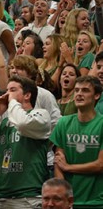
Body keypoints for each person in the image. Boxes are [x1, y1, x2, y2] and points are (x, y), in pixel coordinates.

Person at [0, 76, 51, 208]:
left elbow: (23, 123)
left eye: (12, 90)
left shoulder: (42, 114)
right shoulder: (3, 122)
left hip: (27, 196)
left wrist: (12, 102)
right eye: (6, 90)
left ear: (27, 95)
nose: (7, 94)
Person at [50, 76, 103, 208]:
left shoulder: (102, 124)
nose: (79, 94)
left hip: (97, 201)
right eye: (77, 90)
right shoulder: (63, 123)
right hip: (70, 202)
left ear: (97, 95)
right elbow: (58, 162)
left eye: (85, 90)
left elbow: (100, 165)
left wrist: (68, 167)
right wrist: (63, 196)